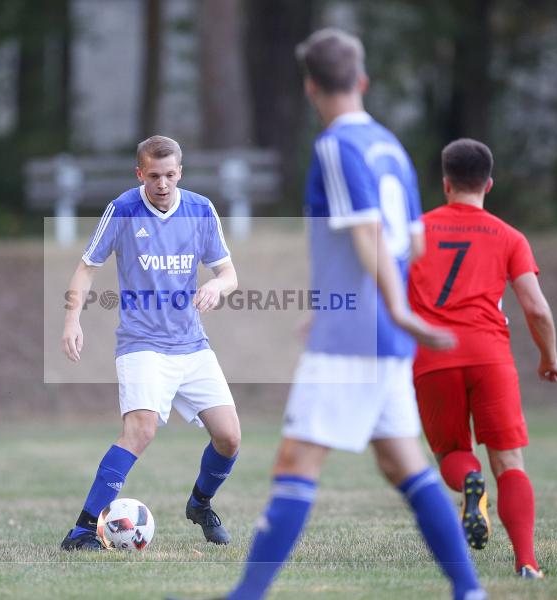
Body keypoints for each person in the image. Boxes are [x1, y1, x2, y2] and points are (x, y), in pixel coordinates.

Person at [225, 29, 486, 600]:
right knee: (402, 464)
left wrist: (386, 304)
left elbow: (367, 231)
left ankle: (244, 598)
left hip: (357, 333)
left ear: (310, 86)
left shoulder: (334, 147)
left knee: (296, 460)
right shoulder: (390, 146)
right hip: (378, 332)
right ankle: (469, 590)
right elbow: (413, 244)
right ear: (362, 81)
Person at [59, 135, 242, 551]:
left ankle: (200, 504)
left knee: (229, 438)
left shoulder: (199, 210)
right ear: (140, 173)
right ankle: (84, 530)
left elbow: (229, 273)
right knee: (139, 431)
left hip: (193, 345)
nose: (163, 183)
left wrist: (218, 285)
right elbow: (86, 268)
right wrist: (72, 320)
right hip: (142, 344)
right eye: (154, 175)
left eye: (171, 175)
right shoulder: (122, 210)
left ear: (181, 172)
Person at [408, 138, 557, 579]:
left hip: (433, 357)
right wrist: (549, 358)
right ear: (488, 184)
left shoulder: (415, 233)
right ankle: (527, 563)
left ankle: (470, 488)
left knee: (453, 453)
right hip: (490, 355)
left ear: (445, 184)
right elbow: (535, 307)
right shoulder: (509, 236)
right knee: (510, 463)